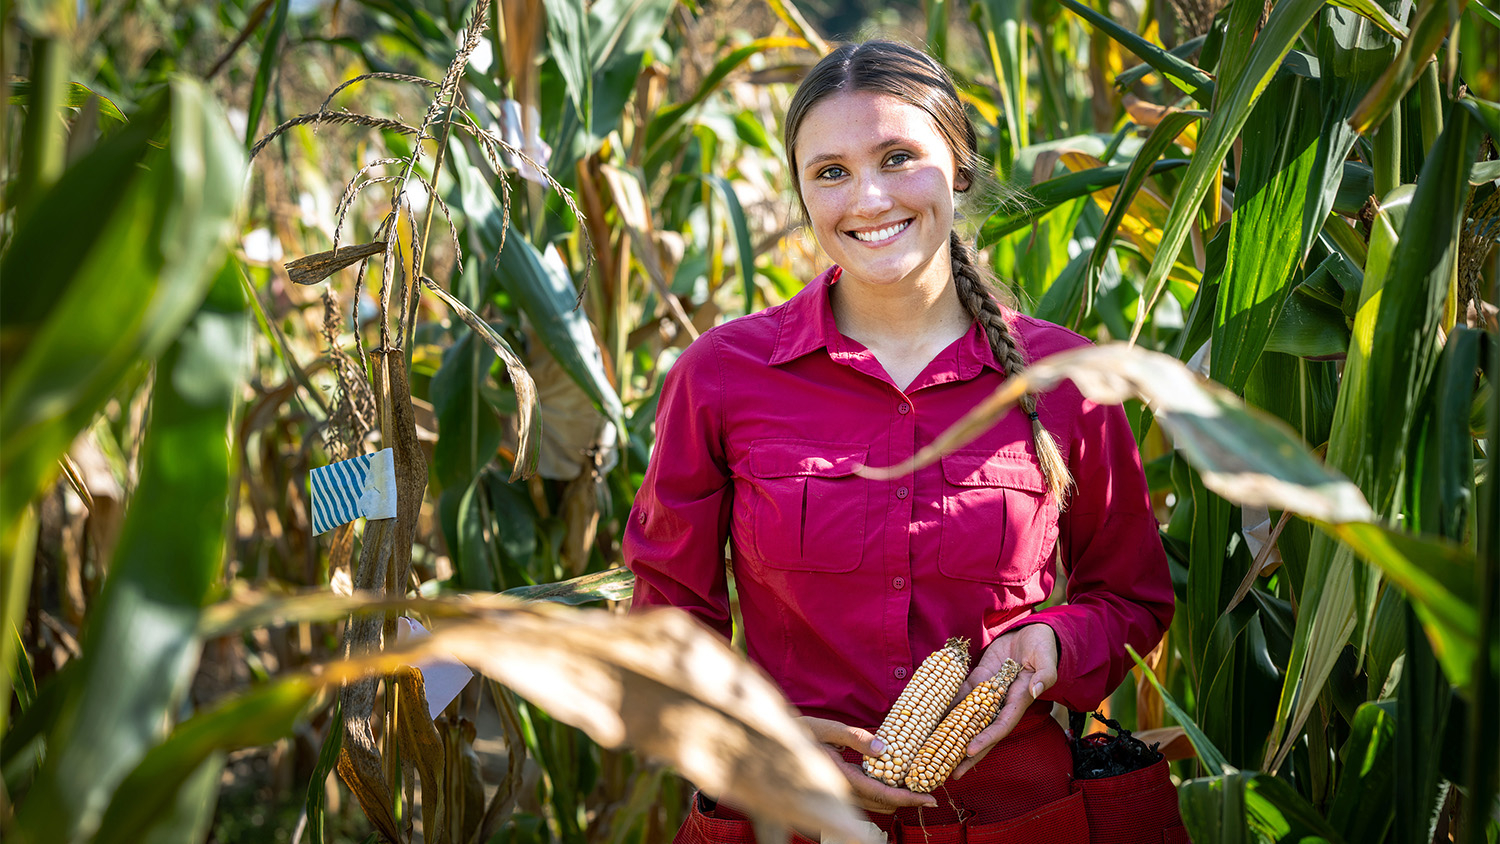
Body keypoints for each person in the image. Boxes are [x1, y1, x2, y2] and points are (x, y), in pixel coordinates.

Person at [625, 39, 1175, 840]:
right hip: (789, 811)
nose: (870, 198)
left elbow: (1131, 597)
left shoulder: (1066, 377)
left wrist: (1050, 644)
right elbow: (667, 616)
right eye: (832, 172)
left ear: (957, 165)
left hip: (1015, 812)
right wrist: (752, 729)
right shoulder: (722, 375)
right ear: (805, 194)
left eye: (898, 156)